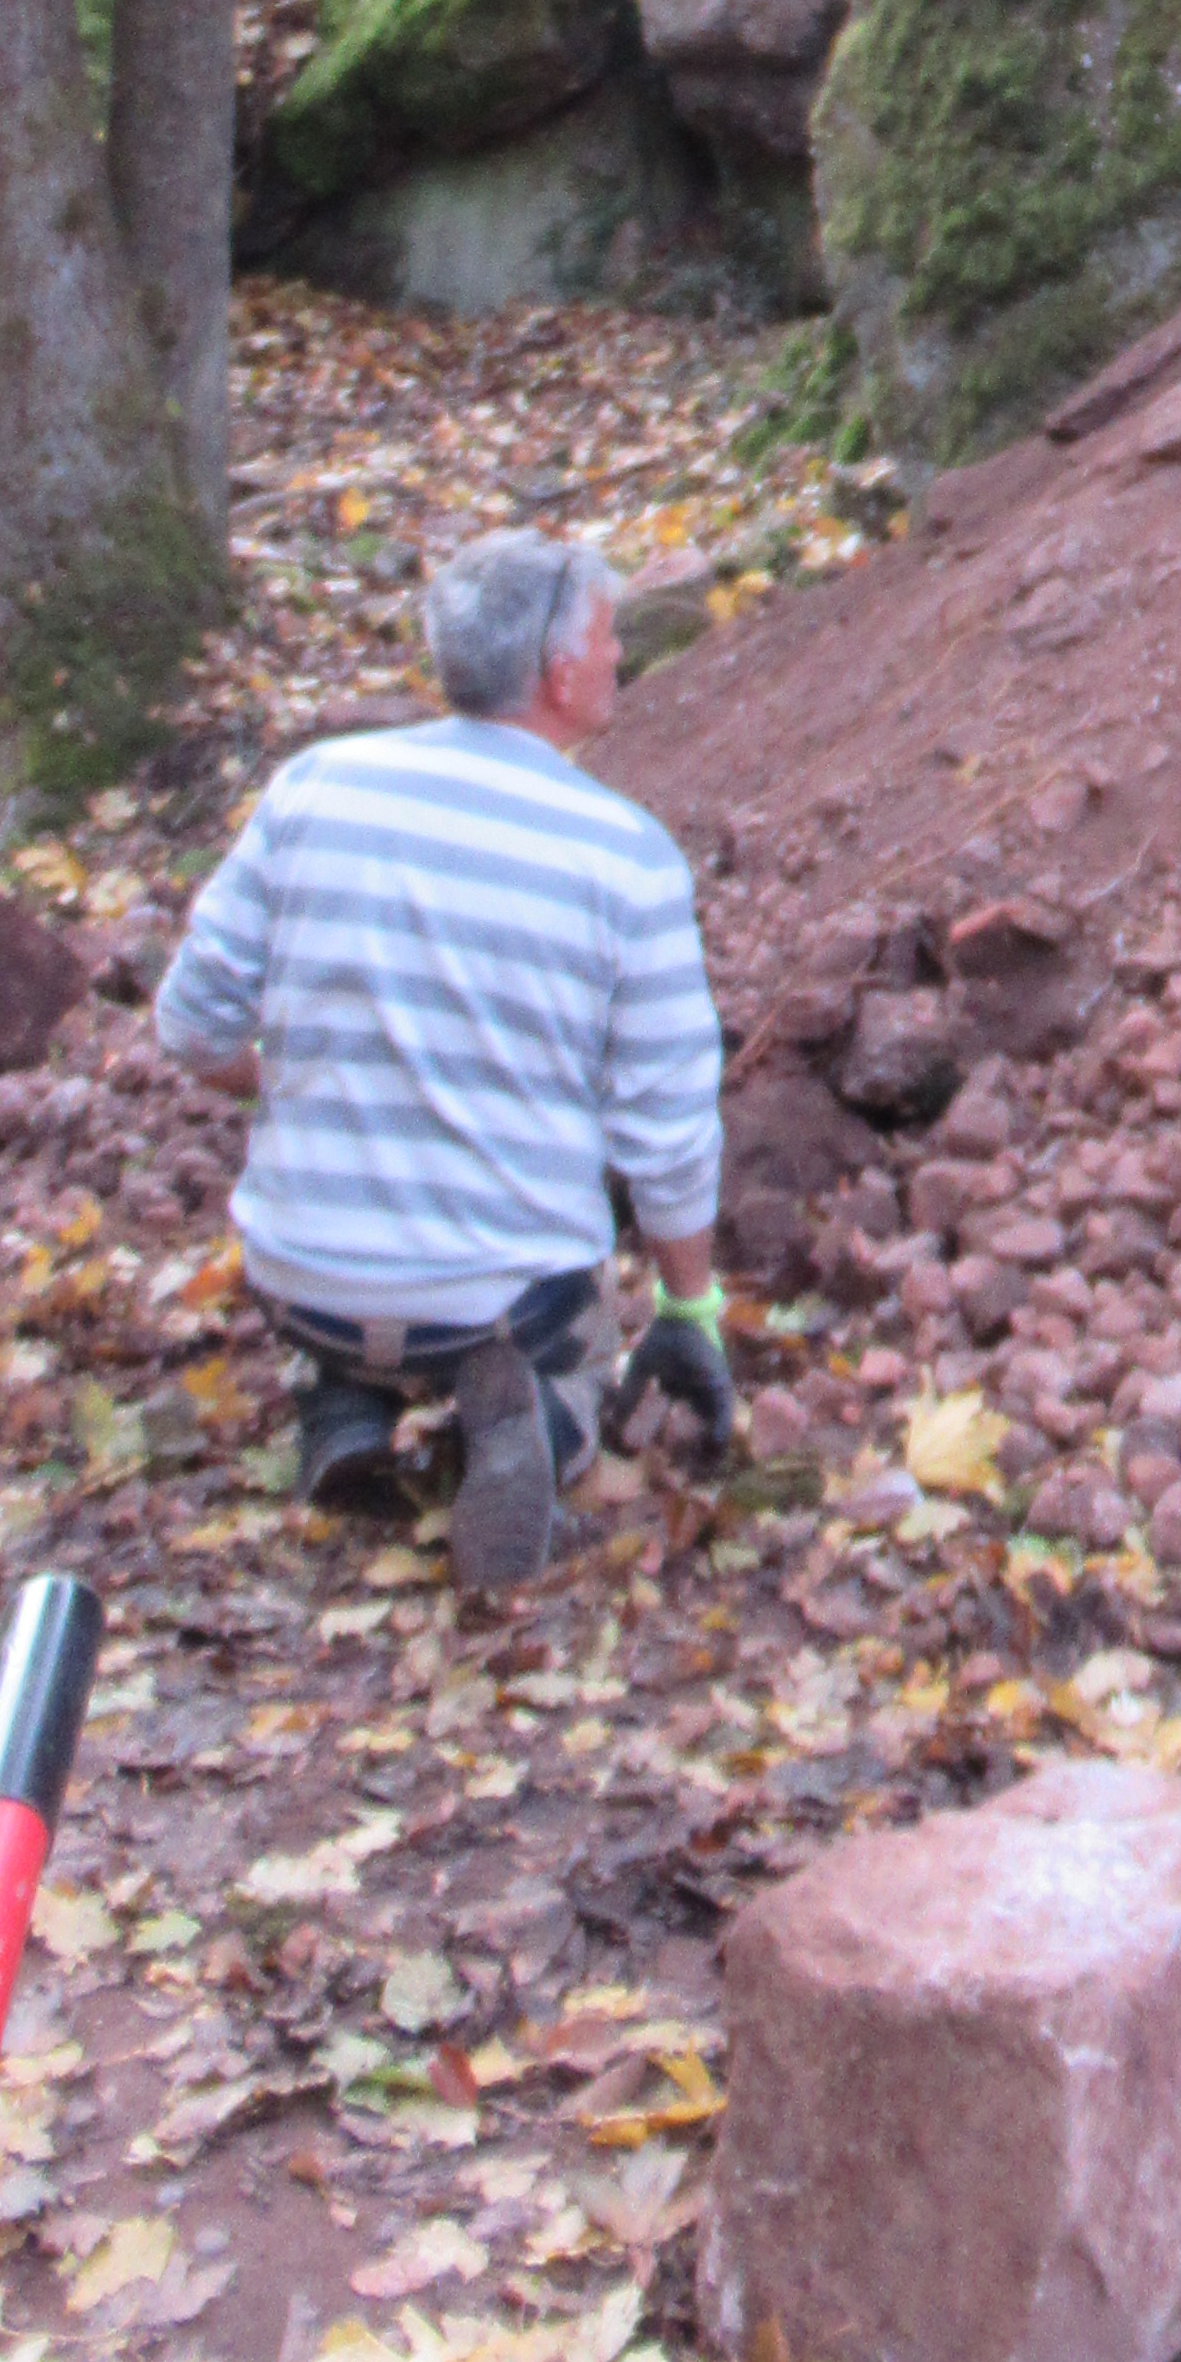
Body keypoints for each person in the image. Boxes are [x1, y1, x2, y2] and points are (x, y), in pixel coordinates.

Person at [155, 528, 732, 1595]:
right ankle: (538, 1432)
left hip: (298, 1280)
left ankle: (342, 1412)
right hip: (501, 1301)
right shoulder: (623, 854)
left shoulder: (312, 787)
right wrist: (690, 1306)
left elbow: (191, 1025)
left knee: (343, 1299)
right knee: (569, 1336)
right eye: (610, 637)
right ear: (560, 671)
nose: (620, 656)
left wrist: (290, 1084)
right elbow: (667, 1125)